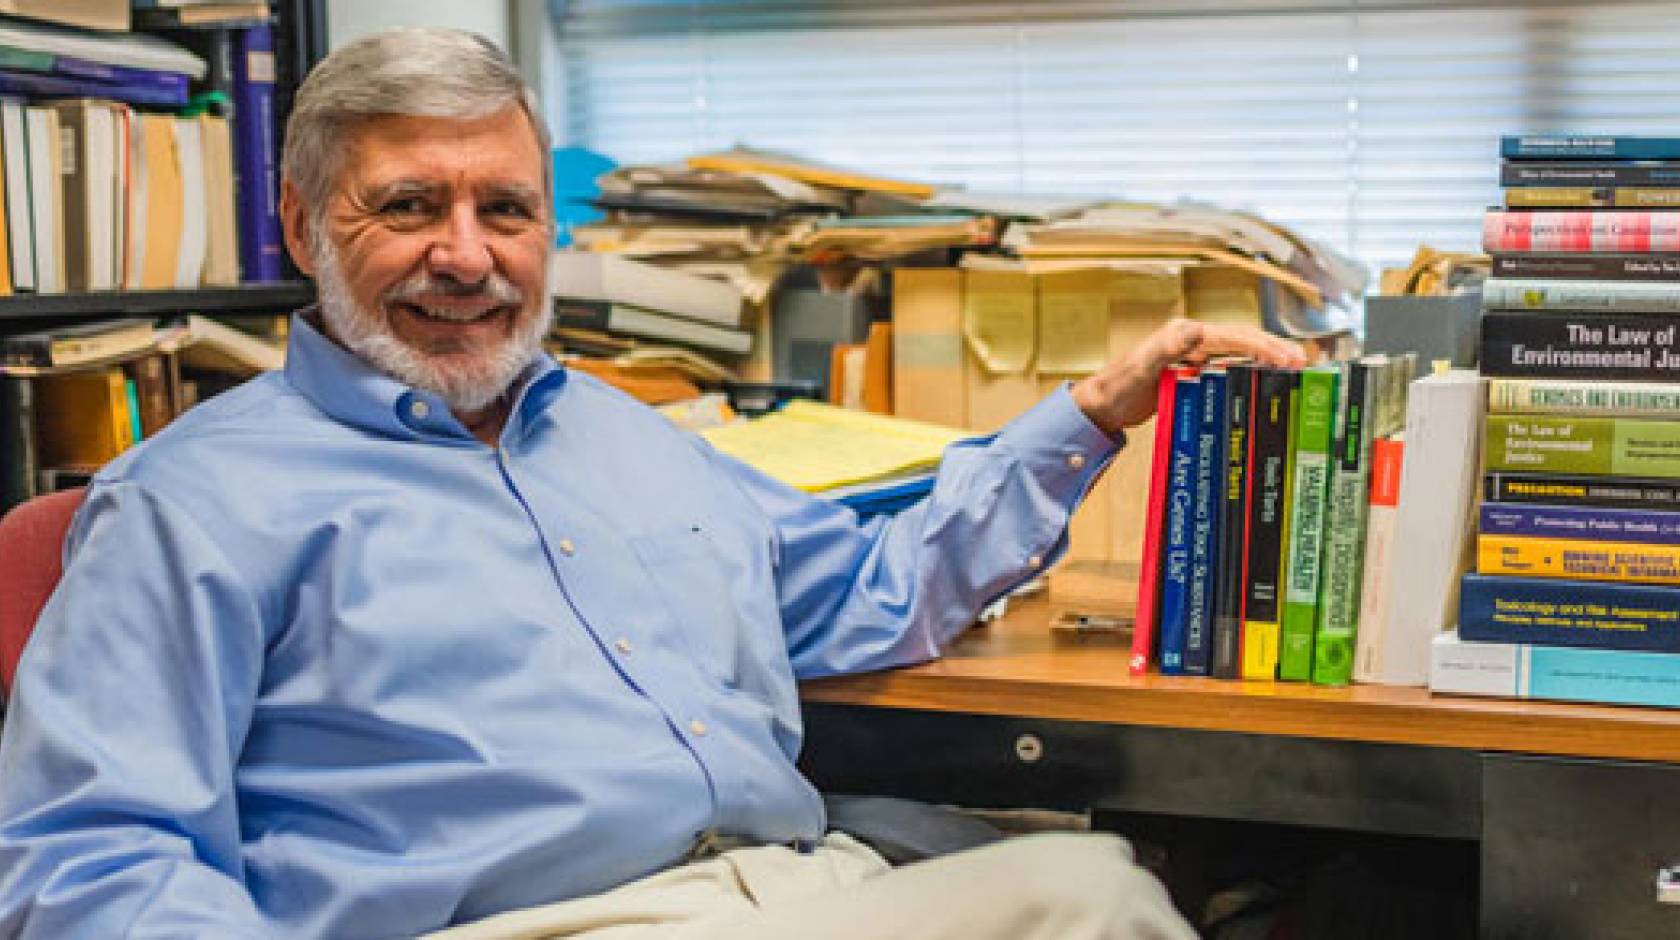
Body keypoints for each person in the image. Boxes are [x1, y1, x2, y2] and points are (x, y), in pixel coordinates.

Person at [0, 28, 1304, 940]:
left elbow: (867, 589)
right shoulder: (190, 505)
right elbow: (91, 862)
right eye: (409, 207)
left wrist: (1092, 410)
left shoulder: (623, 433)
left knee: (1136, 873)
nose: (467, 257)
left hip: (789, 889)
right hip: (530, 924)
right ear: (298, 224)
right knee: (1085, 902)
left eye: (504, 210)